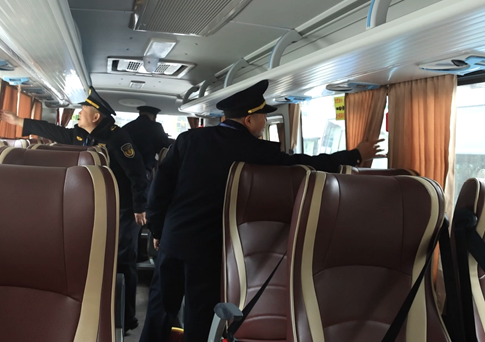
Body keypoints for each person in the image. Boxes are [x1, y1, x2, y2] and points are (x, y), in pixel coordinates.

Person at [142, 80, 383, 342]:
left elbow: (160, 187)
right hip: (209, 250)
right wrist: (354, 155)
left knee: (160, 309)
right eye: (263, 117)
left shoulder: (189, 139)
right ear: (248, 120)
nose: (265, 122)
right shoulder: (257, 151)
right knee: (199, 318)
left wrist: (158, 229)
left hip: (173, 239)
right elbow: (307, 165)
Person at [0, 86, 147, 332]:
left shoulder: (117, 138)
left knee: (122, 260)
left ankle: (126, 318)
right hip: (95, 204)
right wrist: (19, 121)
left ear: (96, 117)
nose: (78, 114)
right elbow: (55, 131)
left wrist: (140, 207)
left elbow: (137, 172)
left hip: (123, 207)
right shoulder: (83, 135)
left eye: (83, 111)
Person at [123, 106, 171, 177]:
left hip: (124, 165)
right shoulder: (156, 127)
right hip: (144, 166)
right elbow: (164, 146)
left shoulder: (126, 127)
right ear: (154, 117)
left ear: (140, 114)